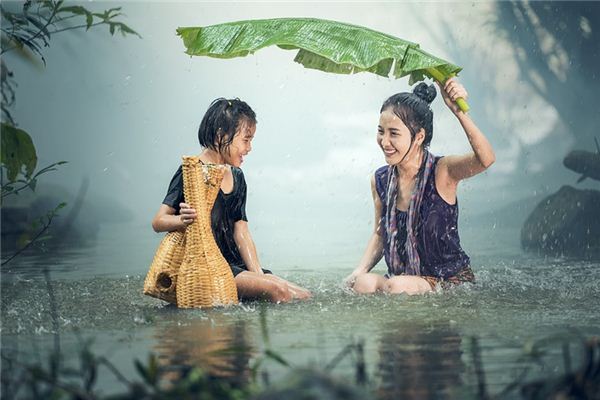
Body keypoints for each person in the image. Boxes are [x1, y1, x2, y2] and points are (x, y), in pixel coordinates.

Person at [344, 79, 495, 295]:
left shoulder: (442, 172)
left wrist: (459, 112)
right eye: (381, 131)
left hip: (448, 281)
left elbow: (486, 159)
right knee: (363, 284)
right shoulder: (380, 179)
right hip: (404, 280)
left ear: (419, 137)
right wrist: (359, 270)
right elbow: (380, 233)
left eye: (393, 133)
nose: (384, 142)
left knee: (396, 286)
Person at [152, 98, 311, 303]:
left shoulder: (237, 176)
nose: (250, 148)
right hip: (211, 268)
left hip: (236, 265)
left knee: (303, 295)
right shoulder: (192, 172)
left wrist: (258, 275)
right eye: (246, 140)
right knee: (279, 291)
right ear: (221, 135)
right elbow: (158, 221)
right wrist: (180, 221)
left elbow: (241, 232)